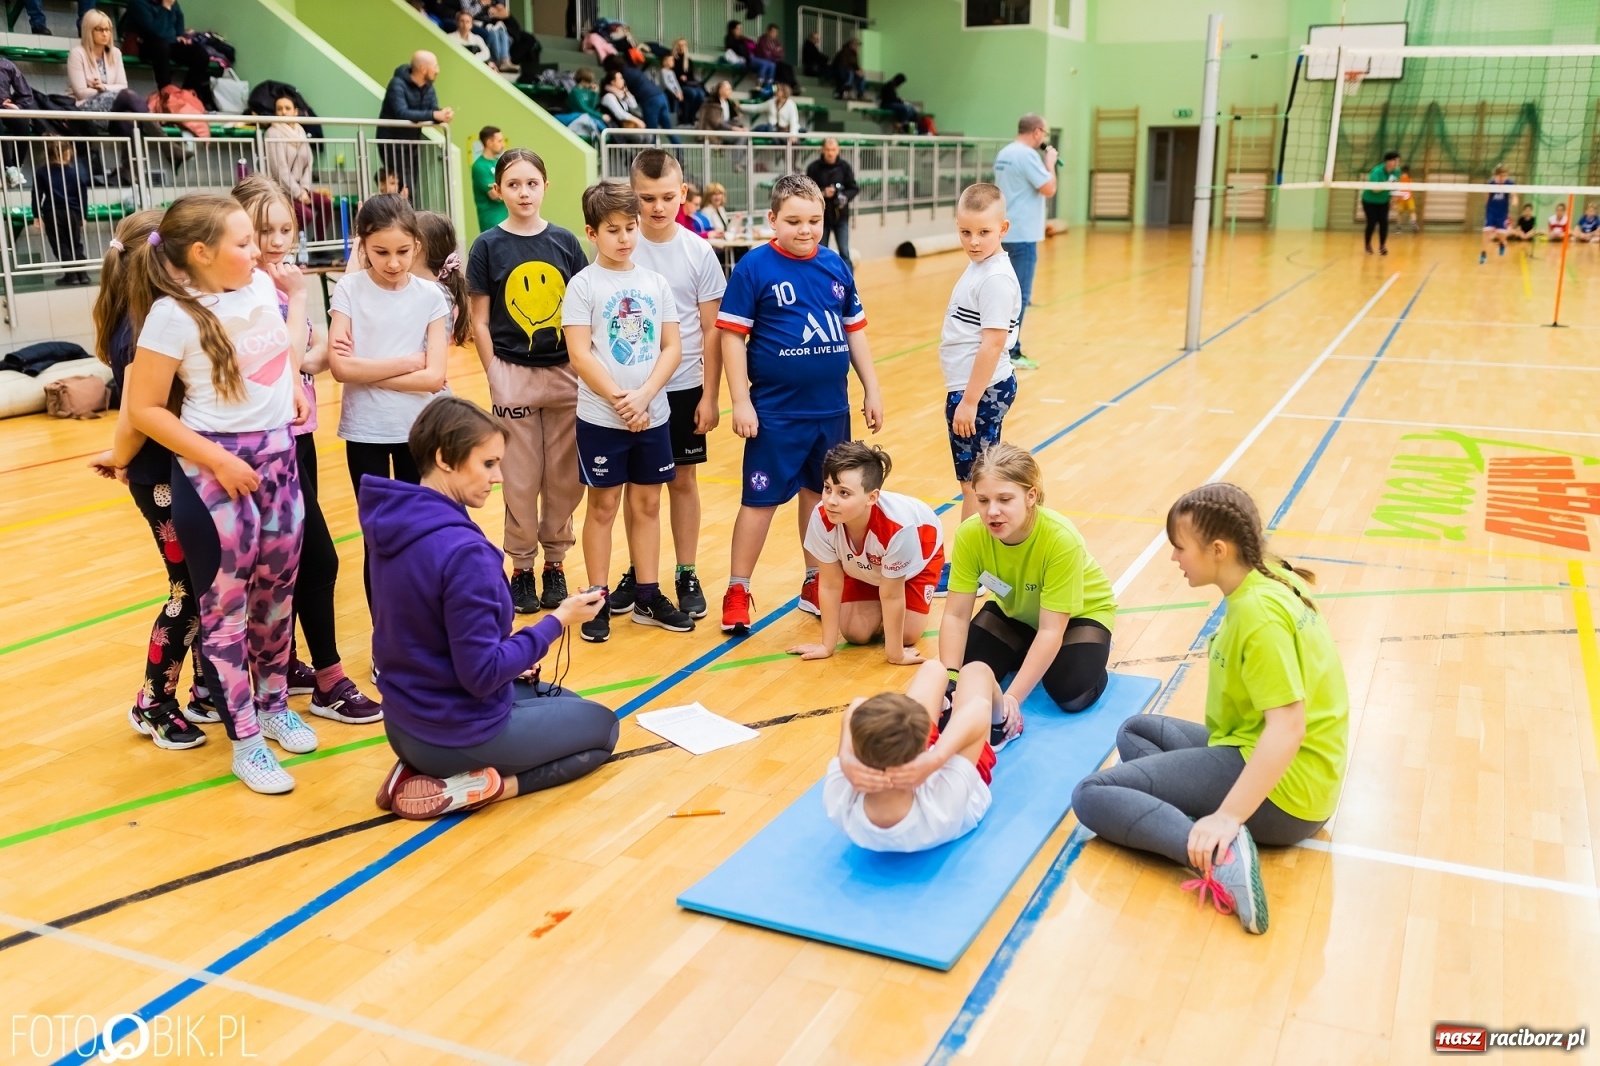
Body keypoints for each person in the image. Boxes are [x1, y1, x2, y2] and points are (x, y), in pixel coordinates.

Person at [1072, 483, 1349, 936]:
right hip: (1267, 756)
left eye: (1180, 548)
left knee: (1091, 794)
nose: (1174, 558)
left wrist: (1227, 816)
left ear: (1217, 549)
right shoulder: (1271, 576)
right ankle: (1200, 819)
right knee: (1135, 732)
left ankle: (1217, 853)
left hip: (1288, 791)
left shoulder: (1258, 616)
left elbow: (1288, 728)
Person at [120, 193, 314, 794]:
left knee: (278, 595)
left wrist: (290, 391)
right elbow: (146, 409)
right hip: (215, 474)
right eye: (243, 242)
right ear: (202, 254)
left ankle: (276, 702)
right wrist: (218, 459)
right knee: (224, 614)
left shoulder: (256, 286)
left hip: (279, 459)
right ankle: (247, 742)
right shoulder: (171, 316)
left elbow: (276, 349)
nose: (257, 250)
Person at [362, 397, 619, 820]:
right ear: (445, 458)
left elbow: (423, 635)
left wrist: (513, 659)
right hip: (452, 732)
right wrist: (558, 621)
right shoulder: (464, 553)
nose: (498, 477)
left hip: (404, 722)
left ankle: (414, 769)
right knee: (603, 728)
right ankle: (474, 786)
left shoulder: (397, 522)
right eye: (488, 464)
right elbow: (480, 676)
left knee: (566, 701)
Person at [232, 176, 383, 725]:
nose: (275, 242)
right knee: (317, 557)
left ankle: (284, 662)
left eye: (284, 229)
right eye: (262, 231)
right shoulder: (250, 295)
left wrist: (311, 348)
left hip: (300, 437)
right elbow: (289, 361)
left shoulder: (281, 286)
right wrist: (305, 337)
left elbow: (315, 355)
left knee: (293, 557)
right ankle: (328, 679)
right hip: (265, 442)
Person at [716, 174, 885, 633]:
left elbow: (854, 331)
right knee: (760, 501)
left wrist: (871, 387)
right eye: (793, 221)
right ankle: (737, 589)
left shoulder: (835, 265)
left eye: (814, 219)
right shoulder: (754, 267)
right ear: (772, 220)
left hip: (831, 410)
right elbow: (731, 337)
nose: (805, 229)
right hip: (775, 413)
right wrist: (739, 402)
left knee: (821, 496)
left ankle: (814, 580)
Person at [89, 209, 213, 753]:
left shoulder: (161, 316)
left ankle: (207, 688)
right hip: (160, 477)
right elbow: (139, 412)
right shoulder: (140, 328)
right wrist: (120, 456)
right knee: (186, 588)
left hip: (184, 470)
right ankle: (153, 701)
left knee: (209, 582)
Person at [562, 180, 692, 643]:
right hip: (602, 418)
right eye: (613, 229)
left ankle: (647, 595)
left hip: (651, 414)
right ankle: (597, 597)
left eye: (630, 227)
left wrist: (646, 397)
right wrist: (622, 400)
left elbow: (672, 346)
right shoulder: (583, 285)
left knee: (649, 503)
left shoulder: (654, 283)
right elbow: (580, 354)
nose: (624, 237)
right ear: (591, 233)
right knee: (602, 506)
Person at [466, 148, 590, 615]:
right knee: (519, 477)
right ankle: (520, 567)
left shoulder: (564, 242)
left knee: (562, 477)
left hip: (564, 373)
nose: (523, 192)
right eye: (513, 184)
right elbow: (479, 320)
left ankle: (555, 563)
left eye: (531, 183)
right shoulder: (487, 246)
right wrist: (494, 372)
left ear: (545, 186)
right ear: (498, 189)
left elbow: (582, 312)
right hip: (512, 374)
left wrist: (582, 365)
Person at [328, 194, 451, 605]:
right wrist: (406, 362)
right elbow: (342, 369)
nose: (394, 263)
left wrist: (372, 371)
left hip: (419, 430)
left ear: (417, 244)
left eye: (402, 251)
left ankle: (422, 632)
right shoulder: (348, 288)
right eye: (381, 252)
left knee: (420, 534)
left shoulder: (431, 296)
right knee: (377, 540)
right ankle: (387, 642)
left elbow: (434, 377)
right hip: (366, 432)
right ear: (362, 245)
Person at [624, 150, 727, 621]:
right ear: (634, 197)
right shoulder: (619, 247)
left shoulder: (698, 251)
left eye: (667, 196)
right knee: (638, 486)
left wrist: (711, 394)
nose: (658, 207)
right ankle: (638, 569)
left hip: (684, 386)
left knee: (683, 480)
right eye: (647, 198)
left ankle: (686, 570)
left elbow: (712, 330)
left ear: (683, 194)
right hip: (630, 389)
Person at [939, 443, 1115, 714]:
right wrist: (950, 678)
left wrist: (1011, 699)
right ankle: (1027, 651)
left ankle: (1091, 653)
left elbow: (1051, 629)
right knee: (967, 674)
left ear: (1030, 496)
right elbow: (955, 616)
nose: (992, 512)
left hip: (1078, 616)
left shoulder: (1060, 539)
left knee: (1071, 693)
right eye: (983, 500)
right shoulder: (969, 534)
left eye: (1005, 499)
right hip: (1016, 613)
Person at [824, 660, 1012, 852]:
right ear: (923, 748)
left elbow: (857, 706)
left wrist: (845, 759)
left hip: (919, 766)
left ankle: (945, 705)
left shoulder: (841, 792)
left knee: (933, 669)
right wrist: (936, 758)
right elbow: (979, 708)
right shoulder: (942, 806)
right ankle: (1000, 723)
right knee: (975, 671)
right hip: (960, 786)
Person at [789, 442, 943, 666]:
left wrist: (896, 654)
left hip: (917, 565)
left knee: (906, 636)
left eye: (844, 493)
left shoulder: (898, 527)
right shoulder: (821, 516)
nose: (831, 500)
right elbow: (830, 584)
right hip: (865, 568)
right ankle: (873, 599)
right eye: (827, 488)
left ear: (872, 498)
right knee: (855, 634)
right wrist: (826, 646)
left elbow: (891, 595)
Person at [941, 184, 1020, 533]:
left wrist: (970, 401)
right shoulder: (981, 267)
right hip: (974, 389)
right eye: (965, 232)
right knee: (976, 482)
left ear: (1003, 229)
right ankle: (974, 563)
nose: (973, 241)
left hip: (980, 392)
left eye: (984, 232)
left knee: (977, 486)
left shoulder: (995, 279)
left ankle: (969, 567)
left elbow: (992, 344)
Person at [991, 115, 1057, 370]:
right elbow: (1048, 188)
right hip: (1024, 234)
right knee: (1019, 296)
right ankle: (1011, 352)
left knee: (1002, 294)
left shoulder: (1005, 153)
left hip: (1005, 230)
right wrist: (1049, 163)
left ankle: (998, 348)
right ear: (1038, 132)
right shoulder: (1028, 156)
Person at [68, 9, 152, 144]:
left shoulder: (115, 53)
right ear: (89, 31)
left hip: (112, 109)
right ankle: (164, 140)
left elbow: (123, 85)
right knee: (127, 95)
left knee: (129, 119)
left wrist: (103, 87)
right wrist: (105, 90)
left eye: (108, 29)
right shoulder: (77, 54)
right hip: (84, 110)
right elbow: (81, 93)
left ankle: (129, 165)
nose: (105, 34)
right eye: (99, 29)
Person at [378, 51, 454, 198]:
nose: (438, 70)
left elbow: (432, 110)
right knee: (403, 188)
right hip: (392, 144)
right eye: (435, 66)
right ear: (423, 68)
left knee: (411, 188)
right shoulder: (397, 84)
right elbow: (402, 113)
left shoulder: (428, 87)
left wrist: (442, 115)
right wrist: (434, 115)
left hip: (412, 144)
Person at [264, 94, 330, 240]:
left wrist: (305, 189)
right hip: (283, 190)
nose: (283, 112)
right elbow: (280, 170)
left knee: (326, 204)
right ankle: (289, 245)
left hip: (301, 188)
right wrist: (298, 193)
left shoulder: (301, 132)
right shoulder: (272, 133)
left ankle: (320, 245)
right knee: (306, 214)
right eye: (279, 109)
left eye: (287, 108)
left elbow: (309, 163)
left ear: (295, 112)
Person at [120, 0, 212, 96]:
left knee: (201, 55)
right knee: (162, 47)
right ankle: (166, 92)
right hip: (145, 44)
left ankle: (186, 95)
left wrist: (180, 35)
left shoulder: (170, 1)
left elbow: (179, 17)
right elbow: (157, 32)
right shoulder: (137, 3)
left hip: (169, 43)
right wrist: (165, 8)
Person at [413, 209, 472, 349]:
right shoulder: (426, 288)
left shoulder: (435, 294)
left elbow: (430, 351)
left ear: (417, 248)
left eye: (403, 248)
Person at [33, 139, 89, 287]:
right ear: (68, 153)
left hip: (53, 212)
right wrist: (84, 214)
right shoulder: (74, 173)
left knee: (61, 244)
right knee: (75, 243)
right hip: (73, 212)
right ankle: (83, 274)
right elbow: (82, 194)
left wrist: (36, 214)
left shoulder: (42, 172)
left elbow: (37, 194)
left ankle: (71, 275)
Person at [805, 138, 858, 264]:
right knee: (820, 253)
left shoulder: (844, 167)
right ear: (822, 150)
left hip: (841, 216)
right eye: (828, 150)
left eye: (833, 150)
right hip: (820, 218)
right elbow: (807, 191)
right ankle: (822, 282)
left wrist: (843, 196)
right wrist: (823, 193)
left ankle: (848, 282)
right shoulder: (813, 168)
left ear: (838, 150)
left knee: (844, 252)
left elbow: (854, 188)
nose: (830, 153)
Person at [1360, 150, 1399, 256]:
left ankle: (1382, 246)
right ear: (1388, 161)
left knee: (1384, 223)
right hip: (1369, 200)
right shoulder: (1376, 171)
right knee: (1372, 222)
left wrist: (1394, 199)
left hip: (1383, 201)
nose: (1397, 163)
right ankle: (1367, 245)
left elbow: (1395, 186)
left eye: (1398, 161)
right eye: (1395, 161)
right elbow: (1375, 190)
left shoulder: (1396, 171)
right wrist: (1387, 183)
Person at [472, 125, 507, 232]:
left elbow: (500, 192)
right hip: (491, 221)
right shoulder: (479, 166)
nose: (503, 144)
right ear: (489, 143)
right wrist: (509, 188)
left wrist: (503, 189)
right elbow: (495, 195)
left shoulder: (499, 163)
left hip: (506, 219)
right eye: (499, 141)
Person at [724, 20, 773, 89]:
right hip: (743, 60)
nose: (740, 31)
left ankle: (769, 85)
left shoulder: (742, 39)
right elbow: (740, 52)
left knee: (771, 65)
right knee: (764, 64)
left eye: (741, 29)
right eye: (738, 29)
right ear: (732, 30)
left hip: (750, 58)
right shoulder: (730, 40)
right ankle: (759, 84)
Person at [1480, 163, 1514, 263]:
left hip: (1502, 213)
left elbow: (1514, 194)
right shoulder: (1490, 183)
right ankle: (1483, 254)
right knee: (1486, 232)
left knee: (1501, 234)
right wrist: (1488, 210)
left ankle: (1502, 244)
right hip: (1491, 211)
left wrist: (1515, 199)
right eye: (1501, 175)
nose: (1503, 178)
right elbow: (1486, 197)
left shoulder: (1509, 183)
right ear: (1496, 175)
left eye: (1505, 175)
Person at [562, 68, 607, 141]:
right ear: (583, 81)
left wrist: (594, 93)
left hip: (586, 117)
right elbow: (583, 108)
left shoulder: (588, 90)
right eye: (589, 82)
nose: (591, 84)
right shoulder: (575, 92)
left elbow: (591, 108)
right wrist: (601, 116)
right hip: (577, 118)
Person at [599, 68, 647, 135]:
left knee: (648, 137)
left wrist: (627, 92)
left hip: (626, 126)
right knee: (640, 137)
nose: (623, 81)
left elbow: (634, 106)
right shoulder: (609, 96)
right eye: (621, 78)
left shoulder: (621, 95)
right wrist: (638, 121)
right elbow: (620, 114)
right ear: (613, 82)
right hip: (616, 128)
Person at [669, 38, 706, 125]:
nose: (682, 47)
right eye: (680, 45)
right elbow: (671, 74)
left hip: (688, 84)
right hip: (678, 85)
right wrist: (680, 77)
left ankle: (691, 115)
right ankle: (685, 116)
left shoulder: (688, 61)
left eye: (684, 45)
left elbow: (691, 76)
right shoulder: (673, 59)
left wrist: (686, 77)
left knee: (701, 95)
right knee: (692, 94)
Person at [753, 24, 796, 89]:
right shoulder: (762, 40)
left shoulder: (776, 42)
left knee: (788, 67)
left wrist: (774, 52)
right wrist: (776, 52)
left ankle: (793, 85)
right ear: (768, 31)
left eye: (776, 32)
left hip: (776, 61)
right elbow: (766, 55)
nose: (774, 34)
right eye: (773, 32)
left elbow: (782, 53)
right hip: (767, 61)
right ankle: (785, 87)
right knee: (782, 68)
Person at [1393, 165, 1418, 233]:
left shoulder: (1400, 178)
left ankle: (1398, 227)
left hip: (1402, 198)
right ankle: (1414, 223)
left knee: (1399, 213)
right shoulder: (1410, 179)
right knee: (1412, 212)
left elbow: (1397, 189)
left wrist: (1395, 200)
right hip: (1409, 198)